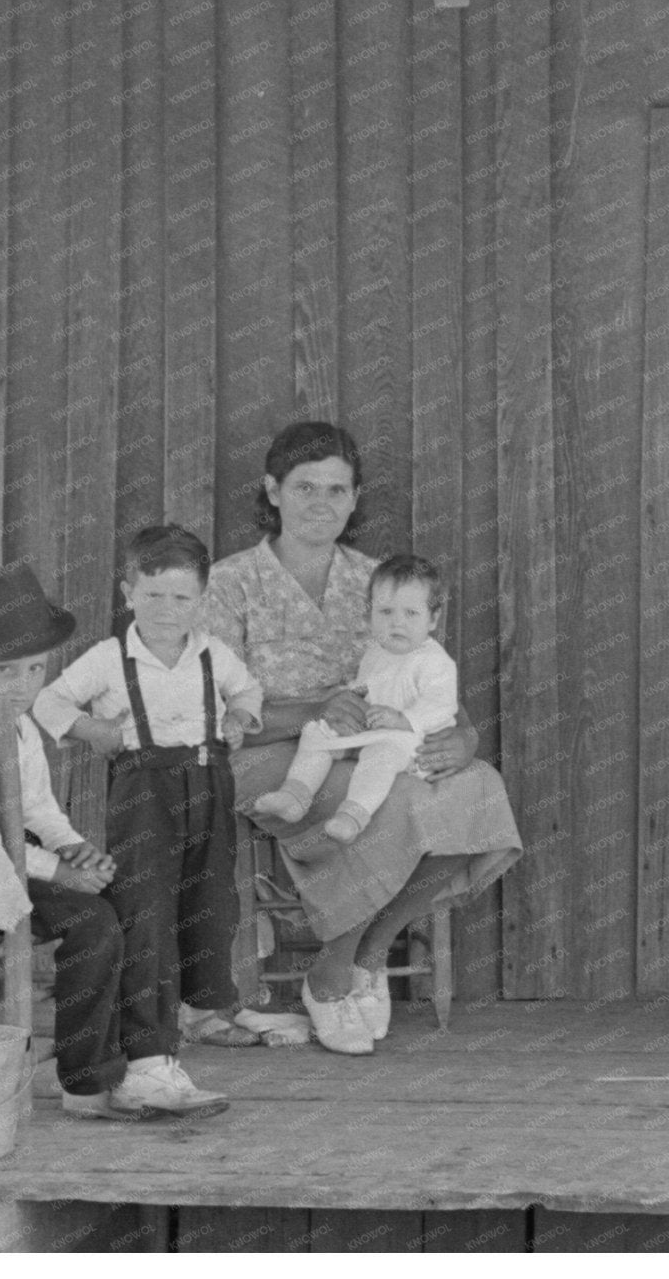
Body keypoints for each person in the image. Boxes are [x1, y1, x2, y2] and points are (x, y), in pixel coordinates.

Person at [0, 562, 227, 1120]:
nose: (25, 684)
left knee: (135, 894)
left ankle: (149, 1061)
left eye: (35, 668)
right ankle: (85, 1082)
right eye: (6, 669)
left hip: (1, 867)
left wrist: (74, 847)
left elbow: (37, 808)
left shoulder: (19, 721)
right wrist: (59, 874)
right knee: (92, 922)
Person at [206, 422, 521, 1057]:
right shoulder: (230, 582)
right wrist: (314, 710)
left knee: (477, 787)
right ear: (272, 491)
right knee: (393, 798)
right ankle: (332, 974)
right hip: (271, 757)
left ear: (355, 499)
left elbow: (434, 686)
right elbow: (212, 713)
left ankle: (364, 955)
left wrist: (464, 738)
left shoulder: (382, 580)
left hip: (380, 746)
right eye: (304, 488)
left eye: (336, 489)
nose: (321, 503)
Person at [33, 525, 266, 1056]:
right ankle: (145, 1026)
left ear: (201, 600)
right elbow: (50, 703)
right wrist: (95, 731)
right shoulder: (109, 657)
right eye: (152, 594)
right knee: (145, 903)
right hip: (143, 794)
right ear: (127, 593)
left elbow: (249, 688)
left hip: (208, 784)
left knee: (212, 899)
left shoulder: (214, 654)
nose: (166, 608)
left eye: (181, 597)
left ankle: (204, 1012)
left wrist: (240, 713)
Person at [247, 554, 458, 848]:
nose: (397, 623)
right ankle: (295, 795)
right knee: (317, 732)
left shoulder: (434, 662)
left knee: (379, 756)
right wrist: (347, 702)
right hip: (372, 729)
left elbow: (441, 705)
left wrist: (404, 720)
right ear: (369, 615)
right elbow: (365, 687)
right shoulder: (376, 652)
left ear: (432, 619)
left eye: (410, 614)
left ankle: (353, 815)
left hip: (410, 743)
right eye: (385, 612)